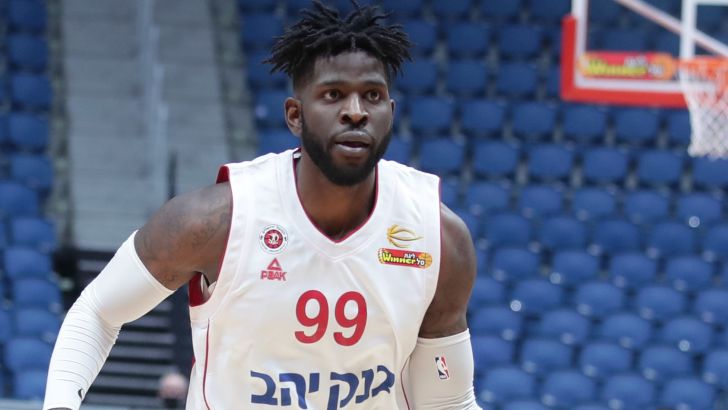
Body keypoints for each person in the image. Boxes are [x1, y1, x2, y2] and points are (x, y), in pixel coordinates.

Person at [43, 1, 479, 409]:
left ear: (391, 111)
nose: (355, 111)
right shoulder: (215, 221)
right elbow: (97, 312)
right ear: (295, 115)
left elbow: (448, 401)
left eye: (372, 95)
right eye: (333, 95)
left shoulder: (437, 238)